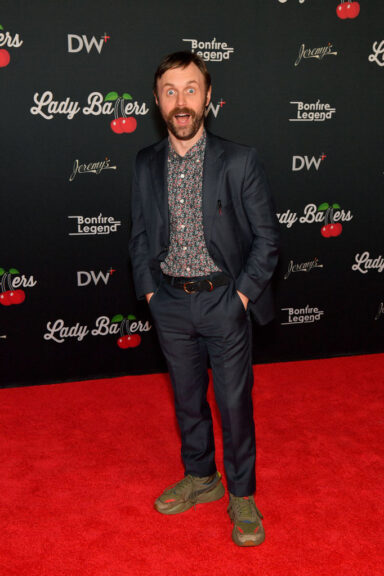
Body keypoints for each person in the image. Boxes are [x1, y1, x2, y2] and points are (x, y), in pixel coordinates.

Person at [129, 51, 279, 547]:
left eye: (190, 89)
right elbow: (139, 235)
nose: (181, 101)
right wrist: (150, 292)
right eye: (170, 91)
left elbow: (266, 240)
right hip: (169, 301)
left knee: (233, 403)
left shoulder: (239, 160)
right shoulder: (145, 162)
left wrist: (239, 297)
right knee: (188, 400)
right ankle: (202, 478)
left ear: (208, 97)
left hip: (223, 301)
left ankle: (241, 493)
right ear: (157, 101)